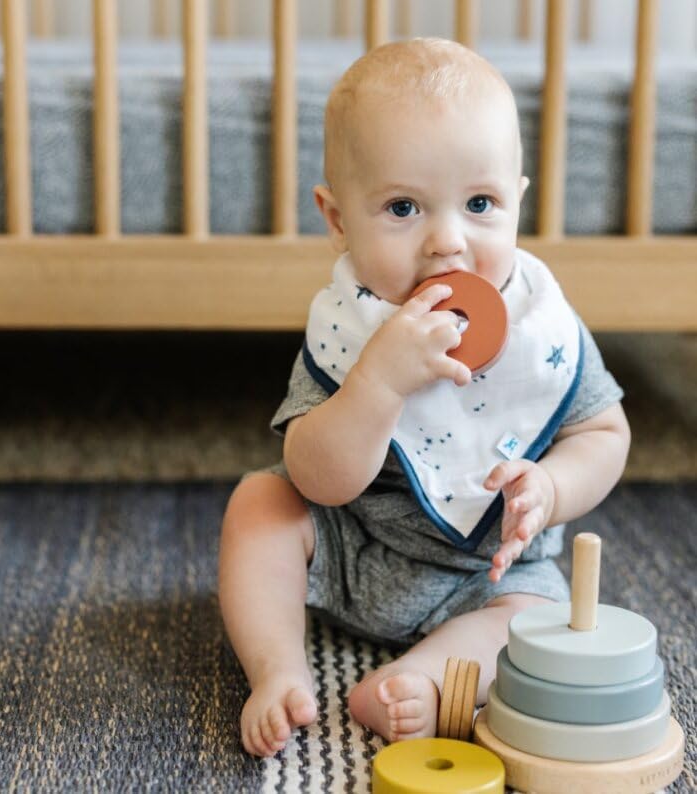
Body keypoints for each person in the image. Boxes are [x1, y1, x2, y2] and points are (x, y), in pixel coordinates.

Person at [218, 37, 630, 758]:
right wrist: (378, 382)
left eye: (479, 204)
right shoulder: (356, 325)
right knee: (261, 504)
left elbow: (605, 432)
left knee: (542, 617)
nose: (448, 242)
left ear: (517, 203)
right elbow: (317, 475)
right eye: (403, 208)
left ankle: (424, 678)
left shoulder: (539, 325)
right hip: (354, 544)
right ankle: (275, 666)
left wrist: (552, 487)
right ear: (338, 218)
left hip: (491, 570)